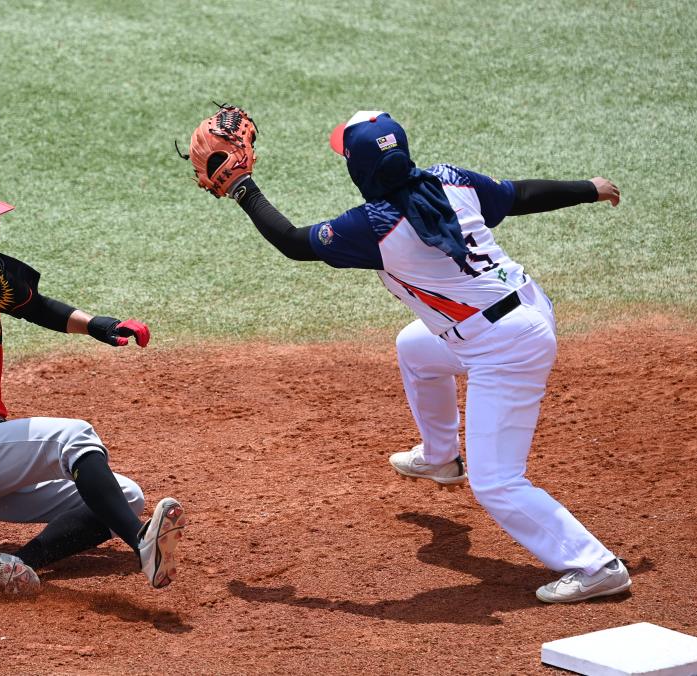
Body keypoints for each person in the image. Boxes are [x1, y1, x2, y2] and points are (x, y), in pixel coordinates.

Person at [217, 110, 629, 603]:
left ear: (359, 169)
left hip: (505, 348)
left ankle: (595, 565)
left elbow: (291, 242)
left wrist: (243, 188)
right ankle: (440, 458)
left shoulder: (374, 227)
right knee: (415, 347)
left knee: (497, 483)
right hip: (524, 307)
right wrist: (589, 188)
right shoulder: (448, 179)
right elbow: (517, 195)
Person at [0, 80, 186, 594]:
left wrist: (98, 324)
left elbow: (36, 306)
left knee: (126, 495)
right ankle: (142, 544)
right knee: (74, 435)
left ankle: (14, 564)